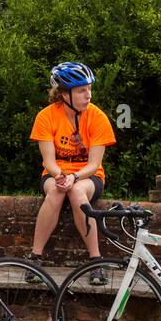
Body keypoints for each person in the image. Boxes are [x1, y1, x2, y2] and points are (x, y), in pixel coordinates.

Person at [26, 61, 117, 285]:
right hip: (55, 172)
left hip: (87, 176)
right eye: (81, 90)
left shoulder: (97, 117)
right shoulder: (46, 116)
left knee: (77, 192)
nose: (89, 95)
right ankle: (35, 258)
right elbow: (48, 160)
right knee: (56, 192)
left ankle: (96, 261)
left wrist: (74, 177)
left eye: (89, 89)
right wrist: (59, 175)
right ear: (64, 94)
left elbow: (94, 165)